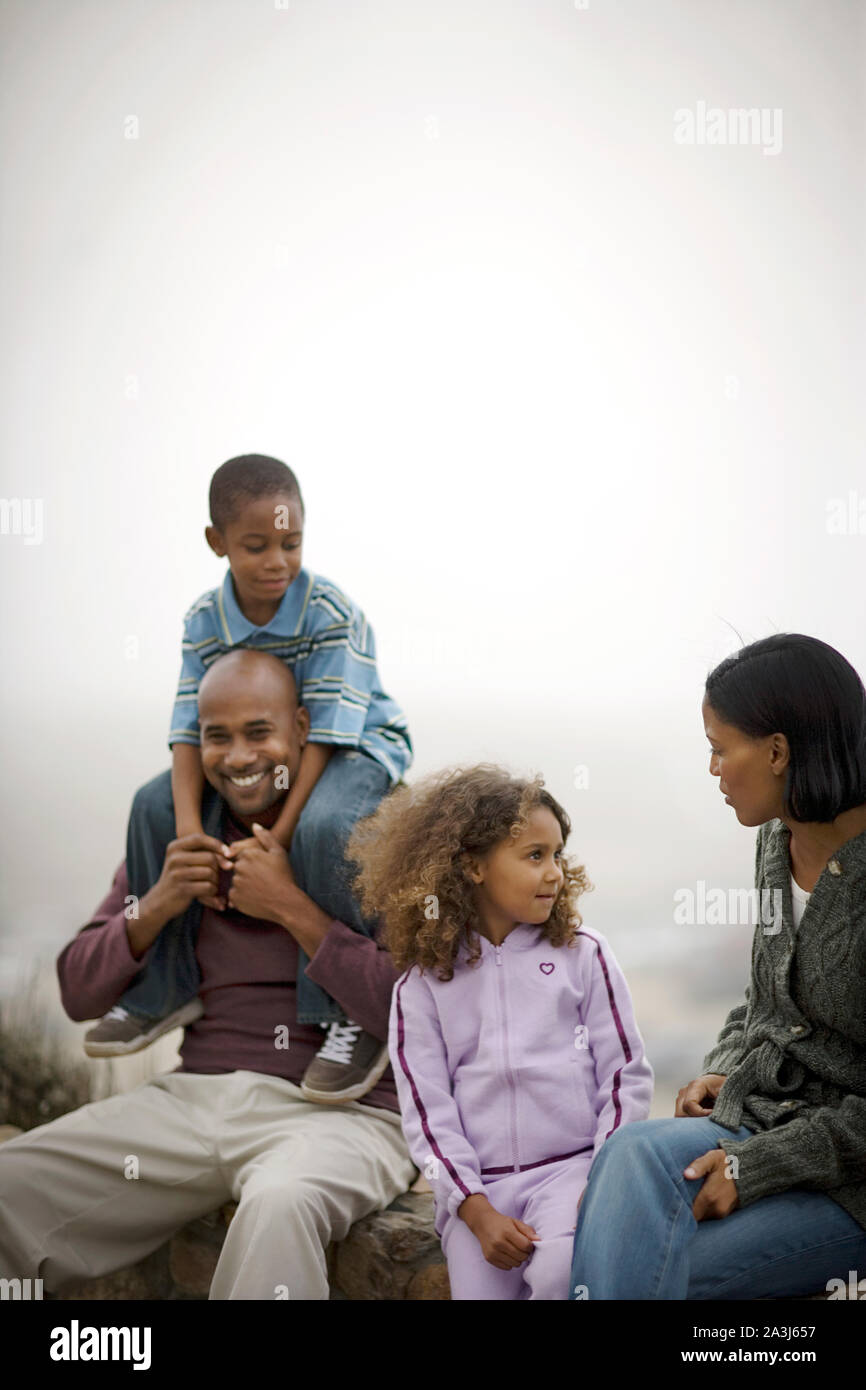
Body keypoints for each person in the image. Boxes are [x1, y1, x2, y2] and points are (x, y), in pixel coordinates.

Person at [0, 651, 416, 1299]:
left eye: (259, 732)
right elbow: (78, 990)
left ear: (302, 731)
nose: (239, 757)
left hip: (345, 1118)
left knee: (280, 1206)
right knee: (10, 1186)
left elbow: (419, 1014)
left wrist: (291, 908)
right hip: (192, 1102)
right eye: (217, 736)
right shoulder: (177, 833)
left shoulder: (363, 834)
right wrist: (159, 901)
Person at [84, 454, 413, 1105]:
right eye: (256, 546)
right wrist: (185, 834)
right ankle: (164, 988)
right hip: (276, 739)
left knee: (326, 825)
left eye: (291, 544)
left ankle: (344, 1019)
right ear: (218, 543)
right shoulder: (205, 621)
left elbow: (324, 734)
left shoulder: (329, 613)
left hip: (354, 748)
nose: (277, 562)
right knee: (151, 803)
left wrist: (281, 836)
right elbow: (187, 728)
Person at [569, 633, 866, 1300]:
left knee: (661, 1269)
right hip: (763, 1115)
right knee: (627, 1155)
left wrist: (755, 1165)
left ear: (777, 751)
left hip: (850, 1180)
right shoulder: (776, 840)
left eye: (718, 747)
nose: (712, 769)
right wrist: (724, 1064)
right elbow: (769, 1000)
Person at [346, 765, 653, 1300]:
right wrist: (473, 1208)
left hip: (574, 1175)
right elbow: (428, 1115)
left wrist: (605, 1182)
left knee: (560, 1276)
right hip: (479, 1196)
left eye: (558, 853)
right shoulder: (421, 987)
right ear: (473, 867)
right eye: (535, 855)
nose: (555, 872)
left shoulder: (584, 955)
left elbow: (625, 1075)